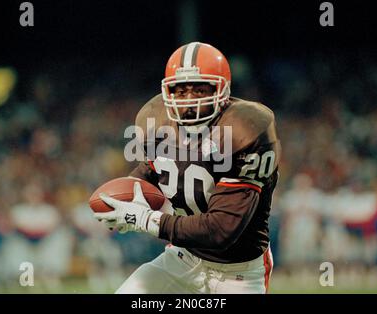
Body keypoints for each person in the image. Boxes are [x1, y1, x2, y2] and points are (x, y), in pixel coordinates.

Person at [95, 42, 281, 294]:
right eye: (180, 91)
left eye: (201, 89)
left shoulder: (246, 130)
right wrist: (132, 196)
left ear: (222, 90)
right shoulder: (156, 121)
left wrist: (145, 219)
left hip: (239, 274)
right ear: (167, 92)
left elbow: (221, 230)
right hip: (182, 259)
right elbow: (150, 171)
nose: (190, 100)